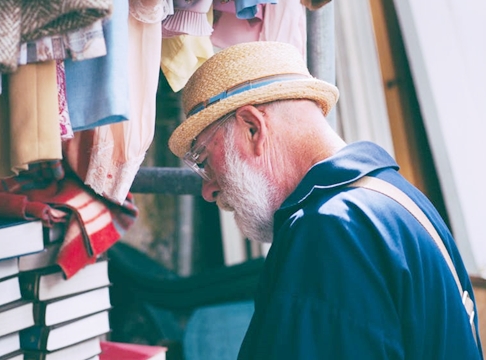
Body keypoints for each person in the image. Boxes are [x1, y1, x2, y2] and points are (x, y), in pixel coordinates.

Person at [168, 41, 483, 359]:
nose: (208, 190)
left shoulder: (332, 227)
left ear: (252, 128)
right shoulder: (395, 200)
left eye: (204, 160)